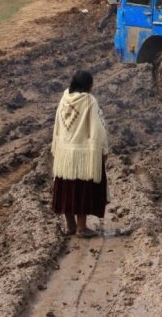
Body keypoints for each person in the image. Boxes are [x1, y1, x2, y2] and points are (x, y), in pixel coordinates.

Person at [51, 70, 109, 237]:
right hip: (83, 154)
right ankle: (81, 228)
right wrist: (103, 149)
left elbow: (57, 124)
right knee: (82, 189)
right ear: (88, 85)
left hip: (64, 153)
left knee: (66, 190)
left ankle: (70, 226)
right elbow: (98, 128)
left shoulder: (63, 99)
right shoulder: (89, 101)